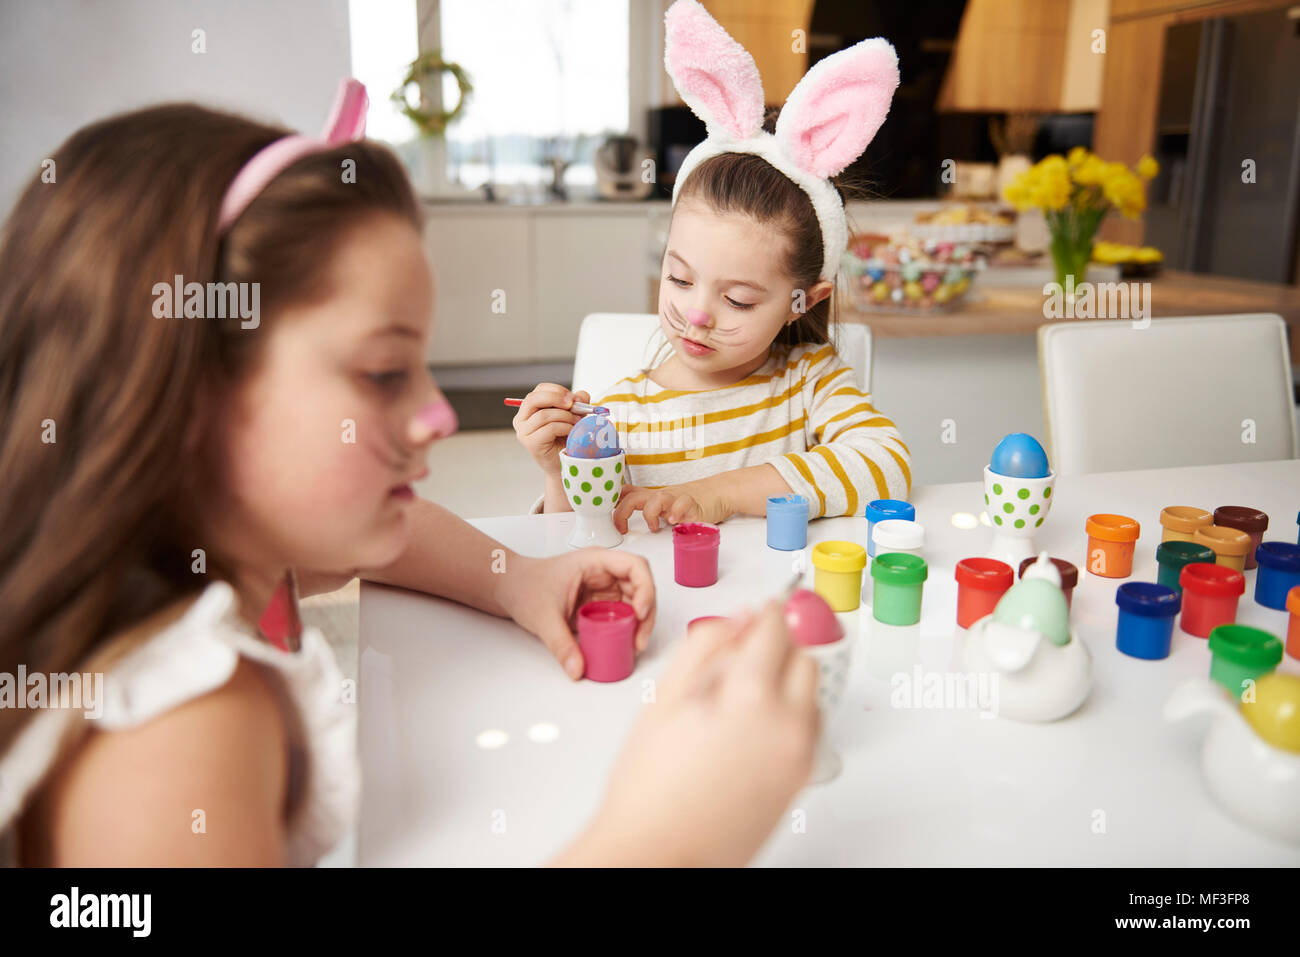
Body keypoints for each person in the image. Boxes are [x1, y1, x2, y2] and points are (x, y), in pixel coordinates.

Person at [0, 78, 816, 867]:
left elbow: (380, 542)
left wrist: (515, 579)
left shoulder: (223, 548)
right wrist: (673, 839)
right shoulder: (179, 733)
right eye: (385, 374)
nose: (441, 415)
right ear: (185, 402)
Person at [515, 0, 910, 534]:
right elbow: (581, 544)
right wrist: (559, 472)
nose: (696, 314)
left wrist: (714, 495)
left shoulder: (811, 382)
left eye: (738, 300)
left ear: (804, 300)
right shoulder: (621, 415)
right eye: (679, 279)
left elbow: (887, 466)